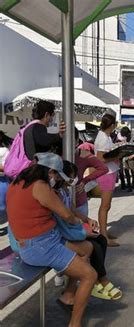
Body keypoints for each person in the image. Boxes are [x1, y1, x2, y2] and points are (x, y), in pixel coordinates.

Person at [6, 153, 97, 327]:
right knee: (89, 275)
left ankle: (69, 295)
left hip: (39, 241)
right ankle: (75, 324)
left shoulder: (17, 182)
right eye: (56, 175)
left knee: (86, 249)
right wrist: (79, 222)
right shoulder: (40, 186)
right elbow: (66, 214)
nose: (55, 179)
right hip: (40, 246)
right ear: (50, 172)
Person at [54, 160, 122, 300]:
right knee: (93, 246)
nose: (74, 180)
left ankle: (100, 279)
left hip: (70, 231)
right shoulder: (55, 194)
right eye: (72, 177)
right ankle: (99, 281)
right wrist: (84, 232)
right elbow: (63, 220)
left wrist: (87, 220)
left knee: (101, 240)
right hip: (63, 235)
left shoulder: (65, 191)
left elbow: (72, 209)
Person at [94, 114, 121, 247]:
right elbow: (100, 158)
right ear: (111, 125)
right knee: (105, 206)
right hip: (106, 173)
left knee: (106, 205)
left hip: (109, 172)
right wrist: (117, 155)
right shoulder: (103, 138)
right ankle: (104, 235)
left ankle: (104, 231)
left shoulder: (105, 137)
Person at [74, 128, 108, 217]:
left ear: (77, 141)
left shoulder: (84, 154)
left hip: (79, 200)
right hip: (60, 202)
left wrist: (85, 181)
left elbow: (103, 168)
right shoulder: (56, 154)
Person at [118, 126, 134, 192]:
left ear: (128, 133)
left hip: (132, 155)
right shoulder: (126, 136)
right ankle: (129, 186)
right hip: (126, 155)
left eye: (125, 136)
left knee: (133, 171)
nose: (125, 137)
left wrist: (133, 154)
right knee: (126, 171)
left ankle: (133, 186)